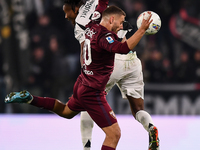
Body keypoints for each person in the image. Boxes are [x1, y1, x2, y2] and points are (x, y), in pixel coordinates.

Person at [5, 2, 153, 150]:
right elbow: (123, 48)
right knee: (114, 134)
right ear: (111, 19)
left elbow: (102, 4)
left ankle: (30, 98)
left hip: (82, 83)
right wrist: (142, 29)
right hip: (93, 92)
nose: (122, 27)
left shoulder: (91, 24)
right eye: (120, 23)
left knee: (65, 111)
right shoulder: (104, 37)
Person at [65, 0, 160, 150]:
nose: (66, 16)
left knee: (88, 101)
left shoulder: (81, 22)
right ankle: (150, 127)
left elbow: (86, 49)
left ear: (76, 8)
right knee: (138, 109)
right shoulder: (105, 8)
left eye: (67, 12)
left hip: (111, 61)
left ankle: (86, 146)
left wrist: (85, 76)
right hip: (132, 61)